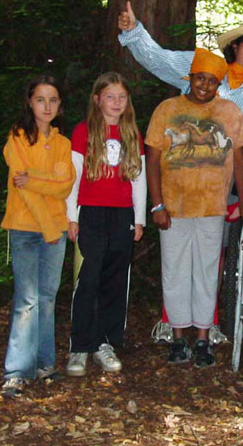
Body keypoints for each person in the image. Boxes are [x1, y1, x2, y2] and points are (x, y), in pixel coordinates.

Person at [145, 48, 243, 368]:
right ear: (189, 79)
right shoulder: (167, 109)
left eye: (211, 80)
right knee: (175, 271)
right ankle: (179, 338)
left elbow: (239, 163)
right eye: (199, 78)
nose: (204, 85)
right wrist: (157, 205)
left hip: (212, 207)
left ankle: (204, 337)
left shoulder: (230, 112)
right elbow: (151, 161)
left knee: (208, 273)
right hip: (173, 208)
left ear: (218, 84)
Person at [118, 1, 243, 171]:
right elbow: (159, 60)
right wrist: (133, 31)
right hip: (184, 167)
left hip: (226, 179)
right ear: (236, 46)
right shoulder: (202, 66)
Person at [65, 72, 147, 377]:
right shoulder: (82, 131)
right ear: (97, 99)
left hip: (122, 215)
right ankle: (79, 345)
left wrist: (139, 218)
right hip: (91, 214)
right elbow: (73, 176)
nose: (116, 103)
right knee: (88, 279)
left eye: (122, 97)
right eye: (110, 96)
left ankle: (105, 342)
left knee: (115, 279)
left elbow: (139, 178)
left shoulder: (131, 133)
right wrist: (71, 216)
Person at [0, 75, 75, 398]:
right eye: (40, 99)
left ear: (59, 106)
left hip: (55, 228)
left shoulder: (64, 144)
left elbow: (64, 186)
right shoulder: (17, 138)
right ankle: (16, 371)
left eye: (53, 100)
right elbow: (24, 190)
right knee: (26, 301)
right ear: (30, 102)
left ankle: (46, 364)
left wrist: (32, 178)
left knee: (47, 298)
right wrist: (46, 225)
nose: (47, 106)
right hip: (26, 228)